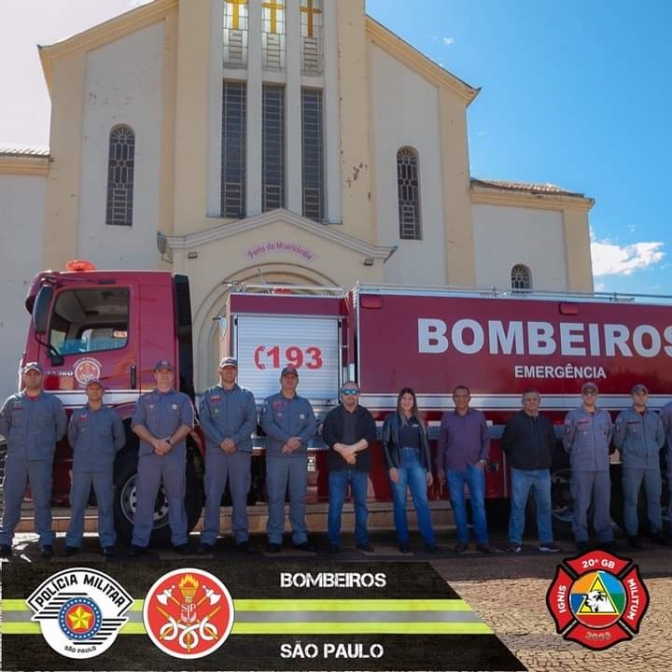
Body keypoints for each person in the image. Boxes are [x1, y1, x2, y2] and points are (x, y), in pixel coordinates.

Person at [127, 360, 195, 556]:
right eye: (161, 372)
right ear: (155, 375)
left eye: (168, 372)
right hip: (150, 457)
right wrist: (155, 443)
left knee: (176, 498)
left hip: (174, 457)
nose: (164, 375)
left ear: (172, 375)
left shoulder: (182, 400)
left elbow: (187, 425)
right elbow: (136, 425)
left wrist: (169, 443)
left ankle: (180, 540)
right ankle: (139, 542)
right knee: (145, 499)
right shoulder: (144, 400)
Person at [0, 362, 67, 559]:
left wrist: (45, 445)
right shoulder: (13, 402)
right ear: (24, 376)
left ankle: (45, 541)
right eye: (28, 374)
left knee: (42, 501)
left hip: (41, 460)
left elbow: (60, 429)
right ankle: (4, 541)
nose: (32, 377)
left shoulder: (53, 403)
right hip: (17, 460)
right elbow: (4, 426)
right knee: (11, 501)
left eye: (35, 374)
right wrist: (16, 442)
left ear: (42, 377)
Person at [197, 357, 257, 555]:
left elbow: (251, 422)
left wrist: (234, 440)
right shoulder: (209, 394)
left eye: (232, 369)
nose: (229, 372)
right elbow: (204, 422)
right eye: (226, 369)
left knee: (240, 494)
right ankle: (208, 538)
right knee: (212, 494)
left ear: (236, 371)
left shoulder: (247, 396)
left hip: (239, 451)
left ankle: (241, 537)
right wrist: (222, 441)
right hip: (217, 451)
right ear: (219, 371)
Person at [65, 379, 125, 557]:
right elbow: (72, 438)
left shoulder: (111, 416)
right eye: (91, 388)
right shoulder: (78, 415)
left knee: (105, 505)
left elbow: (120, 439)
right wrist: (84, 453)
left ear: (103, 392)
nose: (95, 391)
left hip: (103, 467)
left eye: (98, 389)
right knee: (77, 505)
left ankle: (107, 542)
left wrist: (108, 453)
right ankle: (73, 542)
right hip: (81, 467)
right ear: (86, 392)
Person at [260, 366, 317, 553]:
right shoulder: (271, 402)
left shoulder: (304, 404)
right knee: (276, 498)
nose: (290, 380)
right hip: (277, 457)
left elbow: (311, 427)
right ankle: (274, 538)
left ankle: (300, 536)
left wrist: (296, 442)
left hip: (298, 458)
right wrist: (287, 439)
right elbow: (267, 424)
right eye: (287, 377)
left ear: (297, 381)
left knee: (298, 498)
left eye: (293, 377)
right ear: (281, 380)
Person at [436, 385, 497, 554]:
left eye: (464, 396)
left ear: (469, 398)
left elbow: (486, 439)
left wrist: (483, 459)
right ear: (453, 398)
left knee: (478, 504)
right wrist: (440, 467)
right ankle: (462, 541)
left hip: (474, 467)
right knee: (458, 505)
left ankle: (482, 541)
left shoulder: (478, 416)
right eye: (457, 396)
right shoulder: (447, 418)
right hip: (453, 468)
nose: (461, 399)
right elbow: (441, 444)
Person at [502, 389, 559, 553]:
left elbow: (552, 443)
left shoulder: (545, 422)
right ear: (522, 402)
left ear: (539, 401)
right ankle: (515, 541)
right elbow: (506, 443)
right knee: (518, 506)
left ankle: (546, 541)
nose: (531, 403)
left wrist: (544, 459)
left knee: (545, 506)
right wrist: (517, 460)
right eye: (528, 400)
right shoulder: (515, 421)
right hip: (521, 471)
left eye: (534, 399)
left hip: (542, 471)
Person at [322, 381, 376, 553]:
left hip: (359, 468)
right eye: (346, 392)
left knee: (361, 505)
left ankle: (362, 540)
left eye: (354, 392)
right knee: (335, 505)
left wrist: (350, 450)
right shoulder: (333, 415)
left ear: (359, 394)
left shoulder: (366, 415)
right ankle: (333, 542)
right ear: (341, 395)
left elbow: (371, 436)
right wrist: (344, 453)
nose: (350, 395)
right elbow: (327, 436)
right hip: (338, 468)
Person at [382, 387, 438, 554]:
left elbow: (426, 445)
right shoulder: (391, 419)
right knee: (400, 503)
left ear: (414, 402)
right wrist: (391, 466)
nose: (407, 401)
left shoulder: (419, 420)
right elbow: (385, 444)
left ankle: (429, 541)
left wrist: (428, 469)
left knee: (421, 502)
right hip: (399, 462)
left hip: (417, 462)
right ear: (399, 401)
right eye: (404, 398)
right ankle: (403, 541)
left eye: (410, 399)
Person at [613, 383, 669, 548]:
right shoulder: (624, 417)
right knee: (631, 499)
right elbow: (618, 440)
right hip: (632, 463)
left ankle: (656, 531)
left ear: (647, 396)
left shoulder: (655, 418)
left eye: (643, 394)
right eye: (637, 394)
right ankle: (632, 534)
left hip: (652, 463)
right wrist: (632, 452)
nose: (640, 397)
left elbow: (661, 440)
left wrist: (651, 450)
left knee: (654, 499)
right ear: (632, 397)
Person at [563, 382, 615, 552]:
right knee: (581, 501)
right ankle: (581, 536)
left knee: (603, 502)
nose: (590, 396)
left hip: (601, 466)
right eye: (586, 393)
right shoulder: (573, 415)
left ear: (597, 395)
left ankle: (605, 536)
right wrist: (579, 454)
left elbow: (608, 438)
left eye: (593, 393)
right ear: (582, 395)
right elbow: (568, 441)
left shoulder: (605, 415)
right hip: (582, 465)